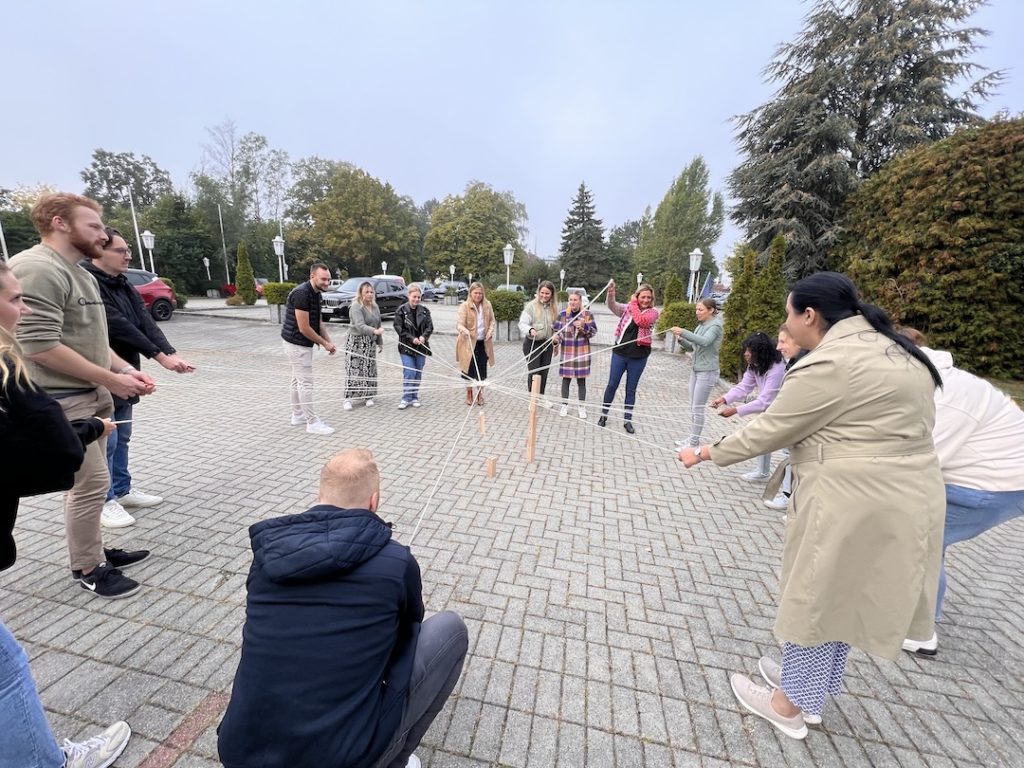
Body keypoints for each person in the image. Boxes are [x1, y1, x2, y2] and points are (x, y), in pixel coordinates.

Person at [678, 272, 944, 740]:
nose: (785, 322)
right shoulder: (891, 348)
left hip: (854, 500)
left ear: (809, 315)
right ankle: (807, 692)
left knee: (817, 597)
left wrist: (704, 453)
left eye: (788, 313)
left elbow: (772, 428)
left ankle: (787, 706)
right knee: (839, 599)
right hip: (901, 497)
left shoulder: (833, 362)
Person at [217, 449, 469, 768]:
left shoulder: (268, 557)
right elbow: (410, 626)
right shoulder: (396, 561)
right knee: (449, 629)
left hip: (242, 752)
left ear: (318, 495)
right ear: (374, 502)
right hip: (340, 759)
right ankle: (396, 761)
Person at [1, 259, 135, 768]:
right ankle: (43, 761)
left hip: (85, 412)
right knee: (7, 667)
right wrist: (83, 431)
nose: (24, 308)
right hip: (74, 413)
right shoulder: (7, 365)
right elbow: (50, 456)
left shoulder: (80, 277)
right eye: (14, 299)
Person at [10, 192, 156, 599]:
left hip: (91, 392)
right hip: (63, 397)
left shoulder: (81, 273)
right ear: (60, 222)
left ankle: (94, 551)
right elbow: (38, 346)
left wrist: (123, 369)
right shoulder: (36, 269)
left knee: (96, 481)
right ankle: (89, 568)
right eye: (93, 225)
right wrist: (110, 380)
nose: (102, 234)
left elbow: (92, 338)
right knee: (89, 485)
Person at [896, 328, 1024, 656]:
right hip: (995, 479)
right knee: (928, 535)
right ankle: (921, 613)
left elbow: (922, 461)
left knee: (918, 534)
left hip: (996, 486)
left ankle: (921, 630)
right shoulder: (933, 380)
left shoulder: (945, 395)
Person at [80, 227, 196, 528]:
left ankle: (122, 489)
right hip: (100, 372)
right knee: (108, 437)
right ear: (99, 252)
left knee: (123, 435)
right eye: (121, 250)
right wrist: (160, 358)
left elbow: (143, 321)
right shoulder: (87, 282)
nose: (128, 254)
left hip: (128, 370)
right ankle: (105, 501)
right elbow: (117, 325)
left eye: (129, 249)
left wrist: (170, 353)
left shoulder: (123, 283)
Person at [709, 332, 787, 481]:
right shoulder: (755, 365)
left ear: (761, 353)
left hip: (784, 410)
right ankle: (763, 472)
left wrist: (736, 410)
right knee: (763, 437)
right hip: (770, 408)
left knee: (788, 449)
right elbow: (744, 387)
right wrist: (724, 399)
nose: (746, 354)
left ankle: (787, 492)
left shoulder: (777, 369)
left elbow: (765, 400)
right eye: (746, 350)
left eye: (749, 351)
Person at [281, 262, 336, 434]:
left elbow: (318, 322)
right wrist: (324, 343)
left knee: (297, 380)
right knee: (306, 383)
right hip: (296, 344)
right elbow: (304, 327)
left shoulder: (316, 293)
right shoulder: (302, 294)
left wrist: (328, 342)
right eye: (323, 279)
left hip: (300, 343)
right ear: (312, 276)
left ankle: (298, 415)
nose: (327, 283)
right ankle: (312, 423)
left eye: (329, 279)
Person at [598, 280, 660, 434]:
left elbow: (641, 320)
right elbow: (612, 306)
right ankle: (603, 415)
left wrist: (633, 302)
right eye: (643, 297)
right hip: (620, 353)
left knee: (630, 390)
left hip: (638, 357)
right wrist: (611, 293)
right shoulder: (627, 309)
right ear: (638, 297)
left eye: (649, 298)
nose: (646, 300)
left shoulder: (653, 313)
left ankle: (627, 420)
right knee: (612, 385)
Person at [763, 324, 807, 510]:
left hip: (801, 425)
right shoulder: (793, 361)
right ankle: (789, 497)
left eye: (783, 341)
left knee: (798, 461)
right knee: (790, 457)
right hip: (793, 423)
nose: (778, 347)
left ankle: (792, 499)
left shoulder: (808, 364)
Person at [670, 297, 724, 447]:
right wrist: (681, 339)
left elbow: (705, 342)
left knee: (698, 408)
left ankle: (694, 442)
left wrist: (684, 331)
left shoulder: (716, 326)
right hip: (696, 370)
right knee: (693, 407)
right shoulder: (700, 326)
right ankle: (692, 438)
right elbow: (693, 347)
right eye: (696, 309)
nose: (697, 312)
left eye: (700, 310)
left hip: (707, 372)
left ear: (711, 310)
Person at [552, 289, 597, 419]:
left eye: (575, 300)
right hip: (567, 353)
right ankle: (564, 405)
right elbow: (558, 333)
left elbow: (593, 333)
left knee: (581, 381)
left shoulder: (587, 314)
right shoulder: (562, 315)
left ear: (580, 301)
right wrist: (555, 340)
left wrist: (584, 327)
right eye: (570, 300)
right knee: (566, 380)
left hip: (582, 353)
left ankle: (581, 407)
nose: (572, 302)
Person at [344, 281, 384, 410]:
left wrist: (380, 342)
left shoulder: (375, 307)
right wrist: (374, 331)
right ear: (361, 293)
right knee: (353, 369)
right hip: (356, 342)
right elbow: (360, 326)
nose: (370, 294)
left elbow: (378, 325)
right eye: (366, 292)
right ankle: (348, 399)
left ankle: (368, 396)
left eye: (371, 292)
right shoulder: (356, 306)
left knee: (369, 369)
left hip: (369, 342)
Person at [393, 284, 433, 409]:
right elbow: (398, 327)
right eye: (414, 297)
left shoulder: (425, 311)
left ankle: (414, 397)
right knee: (409, 372)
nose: (416, 299)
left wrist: (423, 337)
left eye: (419, 297)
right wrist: (412, 339)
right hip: (406, 347)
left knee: (418, 373)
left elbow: (430, 327)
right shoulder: (401, 311)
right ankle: (406, 398)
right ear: (408, 296)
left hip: (421, 347)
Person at [455, 282, 495, 406]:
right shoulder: (464, 306)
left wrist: (490, 331)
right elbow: (459, 324)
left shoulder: (487, 305)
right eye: (476, 293)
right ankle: (469, 393)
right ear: (471, 293)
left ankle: (480, 394)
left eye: (480, 293)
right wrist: (464, 330)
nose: (478, 295)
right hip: (468, 343)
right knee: (469, 370)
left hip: (483, 343)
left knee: (481, 370)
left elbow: (492, 321)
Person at [518, 280, 558, 404]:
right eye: (542, 293)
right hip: (532, 344)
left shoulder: (554, 308)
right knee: (534, 372)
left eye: (547, 293)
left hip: (547, 345)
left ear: (551, 294)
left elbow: (556, 327)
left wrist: (556, 342)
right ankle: (533, 399)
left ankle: (541, 397)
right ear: (538, 292)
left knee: (544, 373)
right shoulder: (531, 306)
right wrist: (530, 329)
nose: (544, 296)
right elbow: (522, 323)